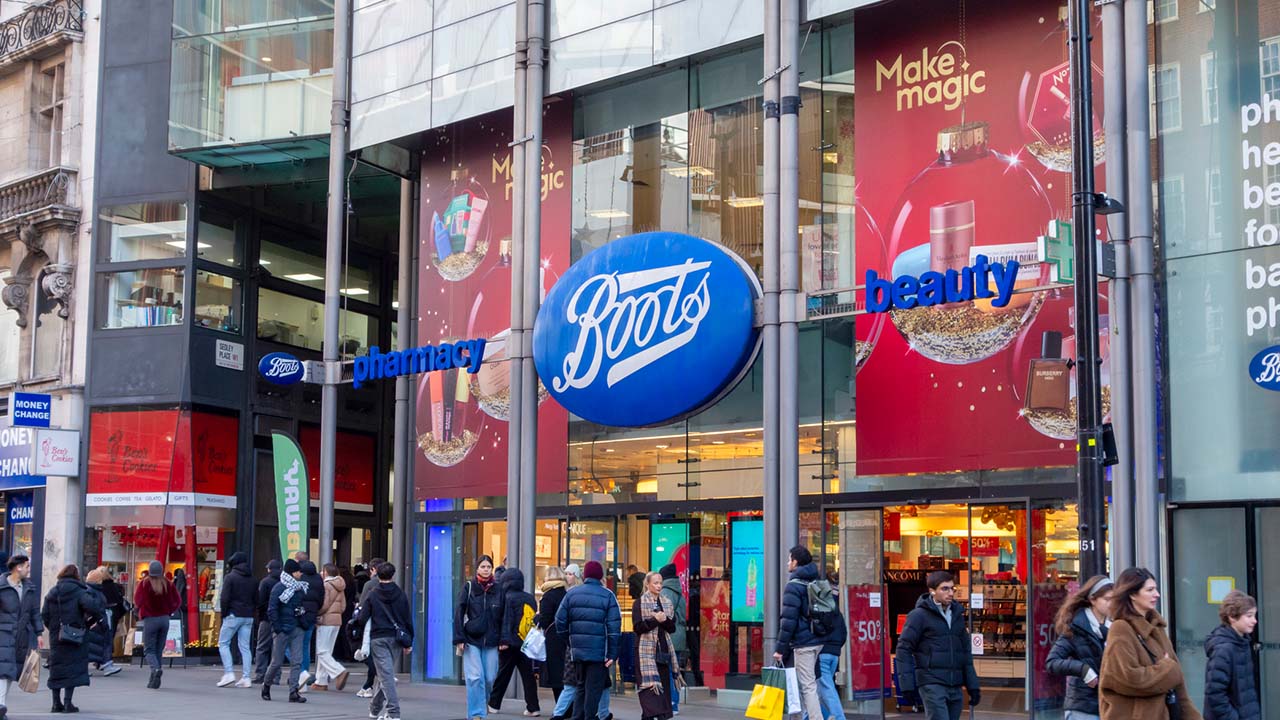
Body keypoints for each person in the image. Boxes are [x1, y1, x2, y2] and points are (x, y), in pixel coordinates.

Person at [1098, 567, 1201, 720]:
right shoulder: (1121, 628)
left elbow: (1179, 688)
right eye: (1150, 590)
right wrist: (1166, 668)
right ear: (1133, 594)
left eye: (1156, 589)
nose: (1157, 594)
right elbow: (1127, 678)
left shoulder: (1156, 628)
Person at [894, 570, 980, 720]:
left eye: (952, 588)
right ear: (932, 591)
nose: (950, 593)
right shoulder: (918, 616)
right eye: (944, 589)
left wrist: (972, 685)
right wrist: (906, 686)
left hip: (955, 684)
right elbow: (903, 649)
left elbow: (965, 652)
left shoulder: (957, 615)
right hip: (931, 682)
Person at [556, 560, 622, 720]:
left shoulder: (571, 594)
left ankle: (577, 716)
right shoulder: (608, 595)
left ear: (584, 575)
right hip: (599, 652)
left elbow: (559, 621)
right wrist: (612, 653)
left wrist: (570, 641)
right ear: (600, 576)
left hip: (578, 650)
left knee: (580, 686)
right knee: (593, 689)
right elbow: (614, 628)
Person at [1046, 575, 1114, 720]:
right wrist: (1083, 670)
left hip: (1109, 706)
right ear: (1093, 600)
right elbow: (1052, 662)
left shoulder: (1115, 627)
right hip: (1083, 707)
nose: (1112, 604)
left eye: (1114, 599)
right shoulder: (1076, 627)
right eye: (1107, 599)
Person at [352, 561, 413, 720]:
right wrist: (409, 641)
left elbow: (363, 618)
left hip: (378, 637)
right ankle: (375, 707)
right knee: (386, 674)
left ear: (377, 574)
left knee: (386, 675)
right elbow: (407, 618)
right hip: (396, 638)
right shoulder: (400, 594)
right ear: (393, 575)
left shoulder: (373, 594)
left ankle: (393, 712)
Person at [41, 564, 106, 713]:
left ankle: (55, 703)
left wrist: (54, 629)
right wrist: (88, 623)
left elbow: (44, 614)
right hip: (75, 635)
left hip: (56, 636)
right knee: (72, 667)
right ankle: (67, 703)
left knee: (57, 668)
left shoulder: (53, 592)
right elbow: (93, 608)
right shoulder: (79, 591)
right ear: (76, 576)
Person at [773, 546, 827, 720]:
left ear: (795, 562)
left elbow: (788, 621)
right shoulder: (816, 582)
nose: (788, 563)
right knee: (802, 683)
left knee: (807, 686)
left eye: (789, 559)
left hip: (804, 644)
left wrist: (779, 649)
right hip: (817, 639)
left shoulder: (793, 586)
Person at [455, 554, 504, 720]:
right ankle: (477, 714)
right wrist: (459, 638)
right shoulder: (469, 587)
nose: (486, 570)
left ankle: (482, 705)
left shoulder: (499, 589)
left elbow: (505, 616)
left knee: (489, 678)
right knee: (475, 677)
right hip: (471, 639)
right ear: (477, 569)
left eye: (489, 567)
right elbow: (459, 612)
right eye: (483, 567)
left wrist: (504, 639)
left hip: (492, 640)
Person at [487, 568, 541, 716]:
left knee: (503, 675)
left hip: (509, 643)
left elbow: (506, 621)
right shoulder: (530, 598)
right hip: (526, 642)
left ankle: (493, 704)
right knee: (528, 677)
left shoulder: (506, 598)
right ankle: (533, 707)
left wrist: (503, 641)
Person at [1203, 590, 1260, 720]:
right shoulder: (1223, 650)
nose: (1255, 621)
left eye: (1254, 615)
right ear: (1232, 617)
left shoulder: (1243, 643)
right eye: (1249, 616)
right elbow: (1215, 695)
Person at [0, 555, 42, 720]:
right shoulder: (2, 586)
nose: (28, 569)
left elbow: (34, 612)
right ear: (18, 567)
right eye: (27, 566)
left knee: (12, 671)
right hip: (3, 634)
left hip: (21, 636)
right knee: (3, 671)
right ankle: (1, 706)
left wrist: (39, 633)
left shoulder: (29, 588)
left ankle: (1, 705)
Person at [262, 559, 308, 703]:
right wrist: (277, 628)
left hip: (297, 628)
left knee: (297, 661)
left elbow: (300, 607)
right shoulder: (279, 588)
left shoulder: (299, 588)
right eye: (299, 571)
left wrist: (303, 621)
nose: (301, 574)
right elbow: (272, 609)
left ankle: (293, 691)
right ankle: (266, 685)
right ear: (292, 573)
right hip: (283, 629)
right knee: (276, 662)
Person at [634, 572, 677, 720]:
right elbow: (638, 627)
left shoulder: (666, 603)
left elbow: (672, 628)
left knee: (662, 690)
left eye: (660, 583)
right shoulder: (639, 603)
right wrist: (654, 620)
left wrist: (664, 620)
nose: (659, 586)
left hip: (662, 652)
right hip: (645, 653)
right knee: (650, 692)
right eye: (655, 583)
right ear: (647, 584)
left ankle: (659, 715)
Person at [134, 560, 180, 689]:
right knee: (158, 650)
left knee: (149, 650)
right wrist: (169, 611)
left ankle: (155, 669)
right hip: (165, 619)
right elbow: (177, 601)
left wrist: (138, 611)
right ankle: (154, 680)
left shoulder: (144, 584)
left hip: (151, 619)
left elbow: (138, 600)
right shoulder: (168, 584)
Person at [217, 551, 257, 688]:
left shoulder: (230, 577)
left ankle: (229, 673)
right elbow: (256, 599)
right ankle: (246, 677)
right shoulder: (253, 579)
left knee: (223, 643)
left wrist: (224, 614)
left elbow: (224, 598)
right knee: (245, 647)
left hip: (233, 614)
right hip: (248, 616)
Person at [816, 570, 848, 720]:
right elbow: (843, 633)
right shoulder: (836, 611)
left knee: (826, 689)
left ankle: (838, 717)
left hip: (823, 652)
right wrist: (836, 647)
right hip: (834, 653)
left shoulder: (821, 610)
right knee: (820, 689)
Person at [312, 563, 349, 691]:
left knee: (321, 651)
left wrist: (317, 613)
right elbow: (343, 606)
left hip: (326, 620)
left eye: (322, 571)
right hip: (337, 621)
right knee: (327, 651)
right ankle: (321, 681)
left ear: (326, 572)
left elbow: (324, 605)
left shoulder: (326, 585)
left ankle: (339, 671)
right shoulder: (341, 585)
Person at [657, 564, 686, 715]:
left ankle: (671, 703)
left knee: (667, 671)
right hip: (679, 636)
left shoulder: (665, 593)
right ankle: (674, 702)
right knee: (675, 670)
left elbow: (664, 616)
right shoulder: (679, 592)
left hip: (669, 636)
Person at [83, 568, 122, 678]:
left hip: (98, 620)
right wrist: (98, 619)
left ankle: (105, 664)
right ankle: (105, 664)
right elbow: (93, 606)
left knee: (98, 644)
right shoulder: (93, 591)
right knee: (100, 643)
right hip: (97, 621)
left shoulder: (91, 590)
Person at [356, 557, 386, 698]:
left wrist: (359, 621)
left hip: (371, 623)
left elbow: (363, 604)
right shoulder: (394, 587)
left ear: (373, 569)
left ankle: (370, 684)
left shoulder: (370, 584)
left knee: (367, 653)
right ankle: (371, 684)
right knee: (378, 655)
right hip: (386, 625)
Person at [539, 566, 569, 702]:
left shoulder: (548, 596)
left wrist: (537, 618)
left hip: (553, 639)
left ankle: (561, 707)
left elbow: (544, 621)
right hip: (566, 637)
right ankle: (567, 706)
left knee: (556, 675)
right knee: (566, 674)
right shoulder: (567, 594)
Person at [251, 559, 282, 685]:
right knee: (277, 648)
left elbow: (260, 601)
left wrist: (259, 615)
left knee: (262, 647)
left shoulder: (265, 582)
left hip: (266, 618)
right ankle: (276, 676)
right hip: (280, 619)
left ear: (269, 569)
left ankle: (260, 674)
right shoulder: (283, 582)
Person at [296, 559, 324, 691]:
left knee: (292, 644)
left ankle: (302, 671)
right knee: (306, 645)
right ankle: (305, 671)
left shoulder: (300, 580)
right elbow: (321, 598)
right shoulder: (318, 579)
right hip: (312, 614)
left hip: (301, 614)